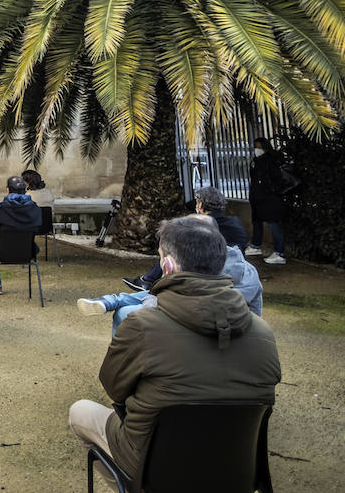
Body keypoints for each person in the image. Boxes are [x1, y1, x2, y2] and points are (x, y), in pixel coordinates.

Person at [68, 215, 281, 484]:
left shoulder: (143, 325)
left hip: (155, 466)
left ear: (167, 265)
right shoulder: (263, 333)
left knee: (79, 411)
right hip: (237, 469)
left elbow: (114, 388)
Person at [79, 214, 264, 333]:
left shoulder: (193, 267)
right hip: (235, 331)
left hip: (196, 331)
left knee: (126, 313)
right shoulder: (243, 270)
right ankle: (111, 301)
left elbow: (171, 300)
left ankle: (112, 302)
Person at [123, 185, 247, 291]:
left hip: (212, 267)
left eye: (197, 202)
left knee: (174, 249)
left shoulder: (202, 224)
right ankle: (147, 280)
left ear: (201, 204)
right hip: (237, 265)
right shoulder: (233, 222)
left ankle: (147, 280)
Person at [0, 174, 40, 294]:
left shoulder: (1, 209)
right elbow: (37, 228)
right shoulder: (34, 209)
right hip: (27, 253)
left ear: (8, 190)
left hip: (0, 254)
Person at [246, 136, 288, 264]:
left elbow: (275, 180)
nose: (256, 149)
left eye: (258, 147)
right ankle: (256, 245)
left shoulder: (270, 160)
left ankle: (280, 253)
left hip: (268, 199)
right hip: (258, 198)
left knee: (273, 224)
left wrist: (269, 190)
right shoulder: (256, 161)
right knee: (257, 221)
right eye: (255, 147)